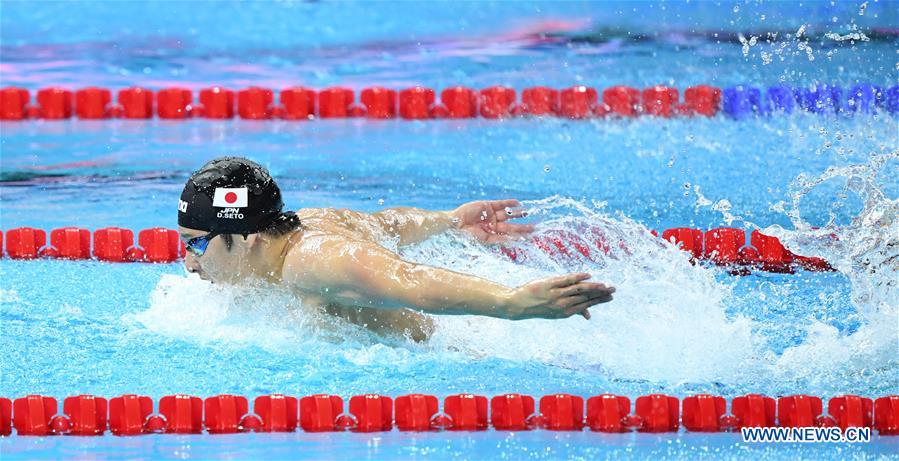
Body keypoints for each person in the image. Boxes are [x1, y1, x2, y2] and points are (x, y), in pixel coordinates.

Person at [177, 157, 615, 342]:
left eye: (196, 243)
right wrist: (451, 221)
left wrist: (512, 302)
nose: (188, 262)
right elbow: (388, 223)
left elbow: (410, 281)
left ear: (248, 237)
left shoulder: (311, 262)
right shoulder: (311, 220)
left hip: (443, 357)